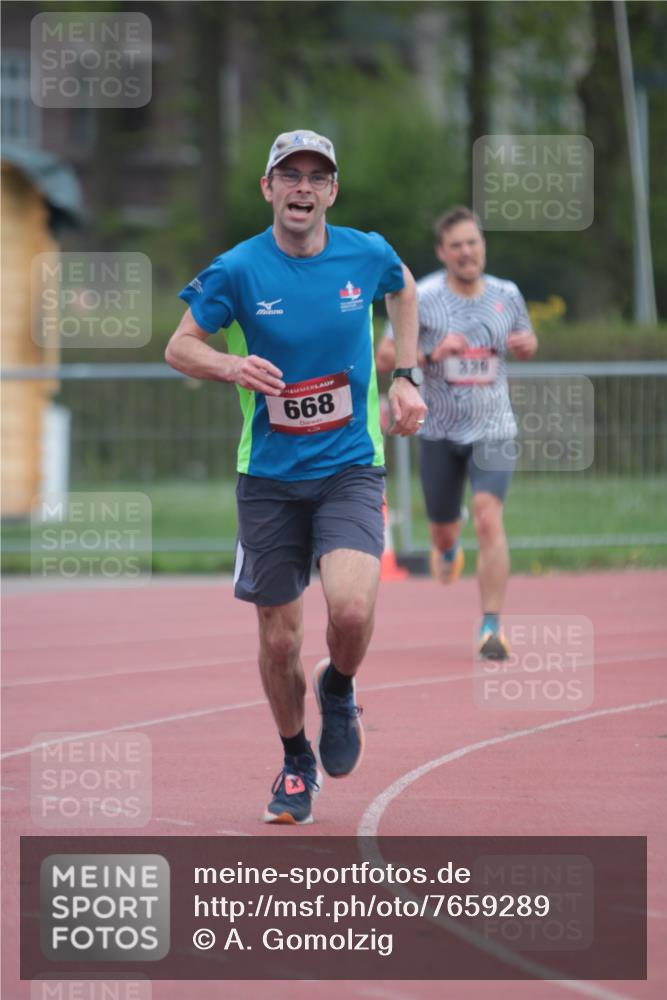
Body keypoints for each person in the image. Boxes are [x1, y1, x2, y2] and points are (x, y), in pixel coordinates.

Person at [166, 130, 426, 825]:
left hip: (348, 466)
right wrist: (229, 366)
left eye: (316, 177)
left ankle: (337, 688)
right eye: (290, 176)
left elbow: (403, 289)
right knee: (279, 639)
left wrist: (404, 375)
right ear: (268, 189)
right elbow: (179, 345)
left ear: (331, 191)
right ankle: (293, 761)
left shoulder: (364, 253)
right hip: (270, 478)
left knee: (348, 609)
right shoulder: (237, 270)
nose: (302, 188)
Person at [376, 206, 537, 660]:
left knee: (489, 517)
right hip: (440, 430)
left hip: (493, 428)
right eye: (457, 245)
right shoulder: (421, 296)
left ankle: (491, 627)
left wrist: (528, 345)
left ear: (483, 246)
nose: (467, 252)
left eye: (473, 242)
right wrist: (430, 351)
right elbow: (384, 357)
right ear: (442, 253)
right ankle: (447, 547)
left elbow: (525, 341)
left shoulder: (507, 294)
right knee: (444, 534)